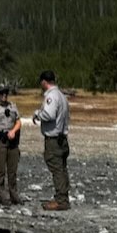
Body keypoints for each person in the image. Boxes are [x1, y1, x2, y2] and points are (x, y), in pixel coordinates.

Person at [32, 69, 71, 211]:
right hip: (62, 137)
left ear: (44, 81)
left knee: (57, 169)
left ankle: (61, 200)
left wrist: (37, 114)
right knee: (62, 168)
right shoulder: (61, 95)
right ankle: (63, 196)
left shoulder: (51, 96)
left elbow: (49, 114)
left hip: (54, 139)